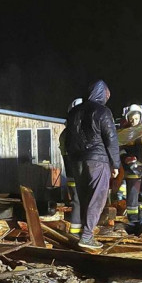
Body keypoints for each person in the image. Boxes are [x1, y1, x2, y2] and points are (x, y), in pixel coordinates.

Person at [64, 80, 120, 250]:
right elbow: (111, 138)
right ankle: (87, 237)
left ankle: (83, 233)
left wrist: (72, 161)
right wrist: (115, 163)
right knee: (97, 199)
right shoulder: (102, 111)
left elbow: (67, 140)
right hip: (97, 160)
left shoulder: (74, 112)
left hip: (77, 161)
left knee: (84, 198)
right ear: (104, 95)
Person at [118, 104, 142, 227]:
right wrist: (126, 158)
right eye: (131, 119)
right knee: (132, 198)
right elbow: (120, 149)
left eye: (136, 118)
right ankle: (132, 221)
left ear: (141, 117)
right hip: (132, 171)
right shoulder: (124, 133)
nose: (133, 121)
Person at [59, 98, 83, 237]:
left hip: (72, 175)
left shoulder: (66, 133)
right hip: (79, 175)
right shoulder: (75, 133)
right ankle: (79, 234)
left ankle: (77, 233)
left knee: (77, 202)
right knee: (80, 202)